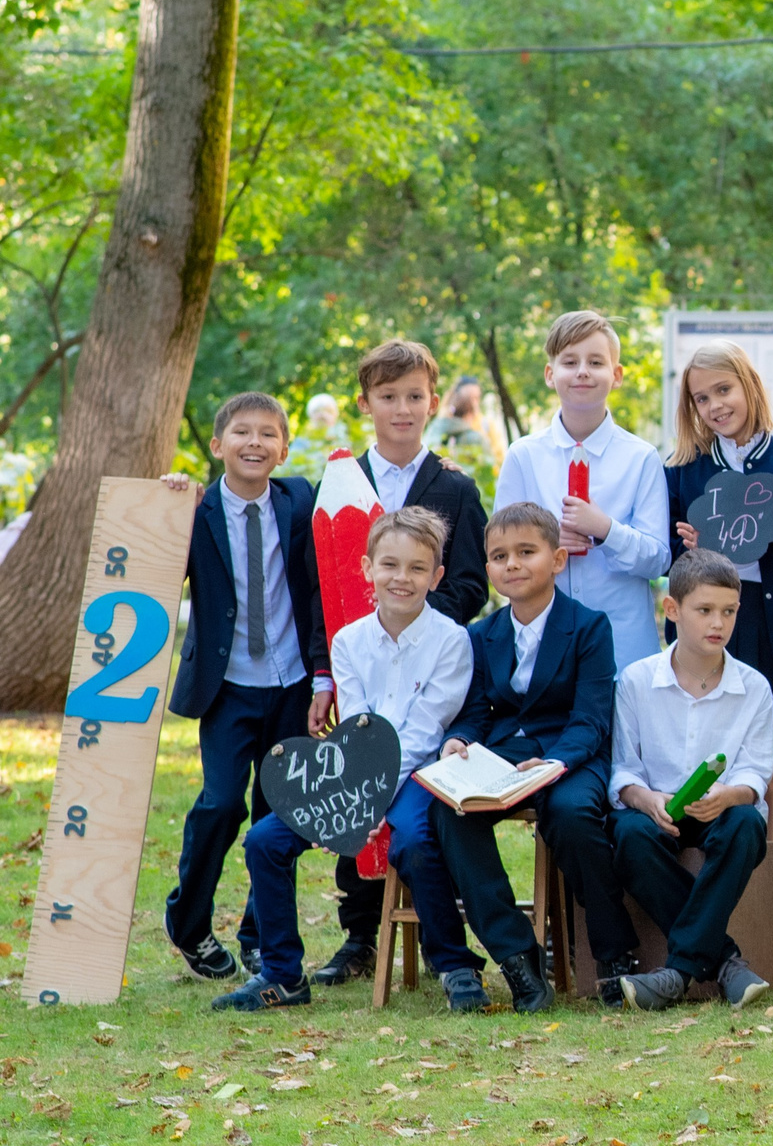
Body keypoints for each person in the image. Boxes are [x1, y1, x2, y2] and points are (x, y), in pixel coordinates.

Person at [220, 509, 474, 1011]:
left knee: (416, 843)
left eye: (417, 568)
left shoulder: (453, 641)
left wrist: (368, 805)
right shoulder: (348, 641)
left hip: (418, 775)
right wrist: (341, 805)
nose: (402, 579)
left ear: (437, 576)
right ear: (367, 568)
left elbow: (424, 735)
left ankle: (454, 965)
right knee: (265, 839)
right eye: (390, 565)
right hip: (356, 772)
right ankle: (282, 974)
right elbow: (356, 729)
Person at [313, 339, 493, 991]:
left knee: (410, 805)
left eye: (414, 396)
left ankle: (438, 933)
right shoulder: (340, 483)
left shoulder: (455, 487)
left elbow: (471, 582)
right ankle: (360, 934)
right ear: (365, 404)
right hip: (357, 669)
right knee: (353, 789)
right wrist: (322, 675)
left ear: (433, 402)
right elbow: (322, 589)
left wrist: (411, 615)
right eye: (388, 396)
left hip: (426, 671)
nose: (402, 408)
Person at [160, 393, 330, 981]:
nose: (254, 442)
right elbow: (146, 559)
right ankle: (188, 923)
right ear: (217, 445)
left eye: (267, 434)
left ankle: (262, 934)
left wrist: (446, 469)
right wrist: (165, 499)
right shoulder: (195, 510)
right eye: (241, 433)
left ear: (283, 449)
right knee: (222, 802)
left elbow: (372, 492)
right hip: (228, 685)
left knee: (277, 814)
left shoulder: (301, 499)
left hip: (292, 684)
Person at [425, 502, 620, 1013]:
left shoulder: (589, 627)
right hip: (505, 756)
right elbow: (475, 711)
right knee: (452, 809)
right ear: (487, 568)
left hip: (572, 755)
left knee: (573, 815)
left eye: (525, 553)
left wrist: (558, 762)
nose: (511, 564)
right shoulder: (481, 634)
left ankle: (614, 958)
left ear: (557, 560)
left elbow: (593, 716)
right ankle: (518, 957)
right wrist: (460, 741)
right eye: (499, 556)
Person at [604, 550, 773, 1010]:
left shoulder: (755, 687)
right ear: (672, 609)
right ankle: (725, 963)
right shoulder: (637, 680)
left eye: (728, 611)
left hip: (722, 811)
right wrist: (645, 799)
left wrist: (728, 796)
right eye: (704, 610)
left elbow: (756, 775)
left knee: (746, 825)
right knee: (628, 834)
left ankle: (678, 973)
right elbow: (623, 769)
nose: (717, 623)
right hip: (658, 811)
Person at [664, 338, 773, 738]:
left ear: (749, 385)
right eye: (702, 398)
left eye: (724, 390)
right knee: (705, 732)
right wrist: (688, 552)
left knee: (764, 738)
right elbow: (664, 552)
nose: (715, 406)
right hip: (706, 618)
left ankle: (765, 805)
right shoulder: (683, 470)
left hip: (771, 617)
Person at [492, 311, 672, 671]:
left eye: (596, 362)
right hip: (540, 646)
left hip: (622, 647)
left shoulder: (641, 459)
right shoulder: (524, 457)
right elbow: (500, 553)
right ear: (550, 374)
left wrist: (605, 529)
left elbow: (658, 559)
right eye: (569, 362)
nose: (582, 372)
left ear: (617, 375)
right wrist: (544, 544)